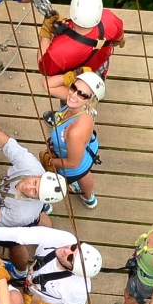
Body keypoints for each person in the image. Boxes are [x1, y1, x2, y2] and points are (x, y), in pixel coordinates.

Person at [0, 115, 66, 272]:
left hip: (17, 217)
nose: (28, 187)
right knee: (37, 216)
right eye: (35, 182)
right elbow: (7, 143)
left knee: (14, 244)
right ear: (39, 175)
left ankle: (21, 271)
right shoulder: (31, 166)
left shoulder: (21, 214)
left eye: (34, 192)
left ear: (38, 198)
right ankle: (45, 231)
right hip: (29, 209)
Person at [37, 0, 123, 101]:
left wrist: (46, 33)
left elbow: (43, 67)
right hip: (99, 67)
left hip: (75, 82)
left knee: (73, 99)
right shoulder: (109, 18)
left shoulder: (58, 51)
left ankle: (75, 104)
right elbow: (119, 38)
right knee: (94, 87)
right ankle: (95, 93)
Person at [41, 70, 105, 209]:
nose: (74, 95)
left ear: (90, 99)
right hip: (84, 151)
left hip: (70, 162)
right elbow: (47, 84)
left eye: (83, 94)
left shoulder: (76, 131)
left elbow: (73, 163)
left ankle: (43, 204)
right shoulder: (77, 103)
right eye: (74, 87)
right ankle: (89, 198)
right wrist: (70, 76)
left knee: (77, 173)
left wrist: (51, 162)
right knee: (84, 173)